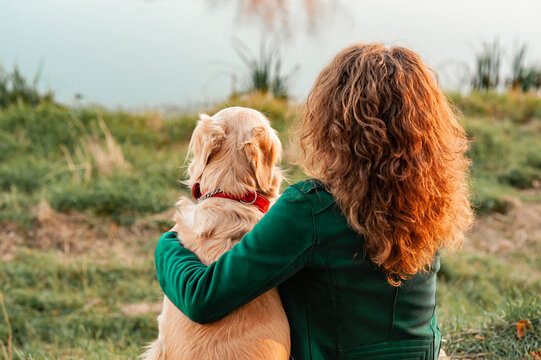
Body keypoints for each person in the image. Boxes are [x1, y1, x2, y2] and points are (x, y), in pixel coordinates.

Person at [154, 43, 473, 359]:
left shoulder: (309, 209)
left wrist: (169, 243)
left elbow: (202, 298)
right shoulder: (430, 202)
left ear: (335, 126)